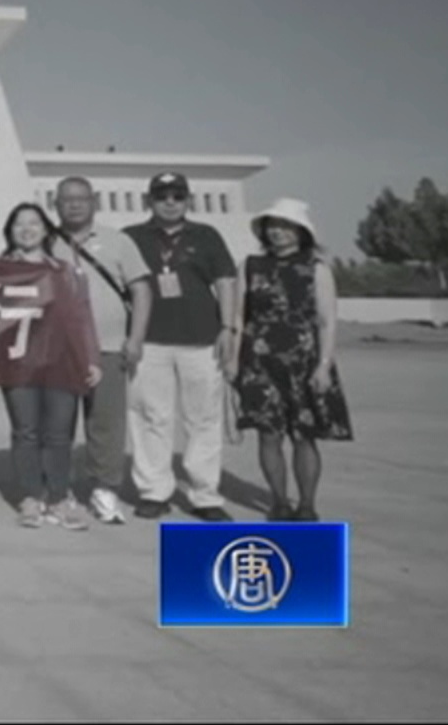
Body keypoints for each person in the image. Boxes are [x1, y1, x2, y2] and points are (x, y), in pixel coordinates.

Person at [123, 172, 240, 522]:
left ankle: (205, 495)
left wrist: (228, 327)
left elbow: (225, 281)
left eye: (178, 196)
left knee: (203, 419)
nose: (170, 202)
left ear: (188, 200)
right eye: (162, 196)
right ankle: (153, 491)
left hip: (201, 340)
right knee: (150, 417)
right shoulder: (131, 237)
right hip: (149, 341)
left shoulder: (206, 235)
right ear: (149, 201)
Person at [233, 199, 353, 523]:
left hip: (304, 361)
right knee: (268, 434)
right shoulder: (250, 266)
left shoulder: (317, 269)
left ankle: (307, 505)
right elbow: (238, 316)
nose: (278, 232)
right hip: (259, 360)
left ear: (301, 232)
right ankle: (279, 502)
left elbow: (327, 321)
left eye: (286, 226)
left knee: (304, 434)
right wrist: (233, 360)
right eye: (273, 226)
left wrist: (324, 365)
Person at [48, 177, 154, 526]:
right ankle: (58, 488)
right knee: (58, 424)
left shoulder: (118, 241)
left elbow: (141, 291)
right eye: (67, 199)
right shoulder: (47, 242)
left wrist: (135, 338)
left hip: (108, 346)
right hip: (59, 351)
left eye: (81, 198)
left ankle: (104, 488)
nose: (74, 204)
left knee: (106, 423)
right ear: (56, 204)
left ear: (93, 202)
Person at [1, 203, 105, 530]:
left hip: (63, 361)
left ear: (46, 229)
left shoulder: (66, 271)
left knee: (59, 433)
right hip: (18, 363)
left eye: (34, 223)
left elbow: (82, 316)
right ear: (10, 231)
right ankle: (31, 496)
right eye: (19, 224)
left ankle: (59, 497)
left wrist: (91, 358)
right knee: (26, 431)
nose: (27, 229)